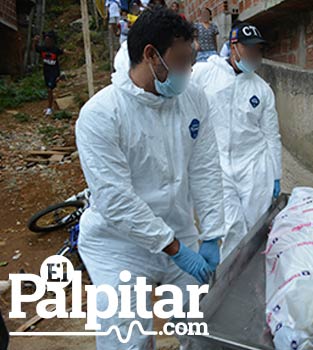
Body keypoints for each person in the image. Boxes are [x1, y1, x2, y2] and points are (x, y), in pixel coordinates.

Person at [75, 9, 224, 349]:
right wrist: (174, 249)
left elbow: (205, 168)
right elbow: (116, 200)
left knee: (202, 327)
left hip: (179, 230)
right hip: (118, 244)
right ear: (150, 55)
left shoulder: (192, 98)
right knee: (127, 337)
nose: (188, 70)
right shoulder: (101, 115)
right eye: (182, 60)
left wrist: (212, 233)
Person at [191, 22, 281, 259]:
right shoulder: (206, 73)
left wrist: (276, 174)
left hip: (254, 164)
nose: (254, 55)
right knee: (231, 226)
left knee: (257, 225)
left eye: (258, 50)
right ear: (233, 47)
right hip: (218, 164)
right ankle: (231, 276)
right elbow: (185, 102)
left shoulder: (262, 90)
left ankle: (256, 275)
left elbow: (272, 134)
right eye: (248, 48)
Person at [34, 31, 63, 116]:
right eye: (46, 41)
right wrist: (35, 41)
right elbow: (36, 48)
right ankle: (49, 106)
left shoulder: (55, 49)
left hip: (54, 72)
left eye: (49, 41)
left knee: (50, 89)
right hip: (46, 71)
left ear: (52, 41)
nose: (47, 43)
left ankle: (50, 108)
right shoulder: (43, 49)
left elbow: (64, 52)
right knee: (49, 88)